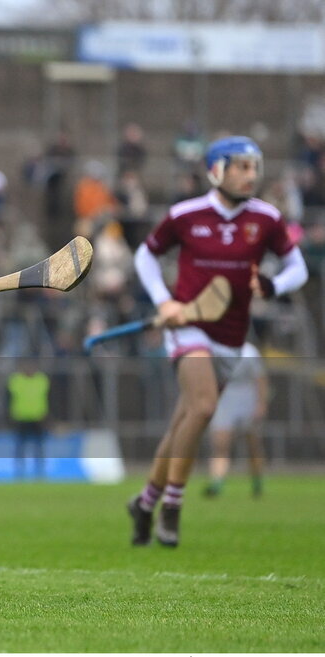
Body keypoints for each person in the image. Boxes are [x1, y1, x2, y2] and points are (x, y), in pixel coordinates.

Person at [127, 136, 308, 547]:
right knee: (205, 407)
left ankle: (144, 501)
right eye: (240, 166)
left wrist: (273, 284)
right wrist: (164, 301)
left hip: (232, 335)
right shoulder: (186, 214)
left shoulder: (266, 218)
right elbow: (145, 256)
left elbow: (298, 267)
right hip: (188, 327)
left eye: (254, 166)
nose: (250, 175)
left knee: (182, 424)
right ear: (215, 170)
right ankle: (172, 506)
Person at [204, 342, 268, 499]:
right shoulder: (215, 348)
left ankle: (257, 481)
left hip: (247, 397)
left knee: (253, 445)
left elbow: (260, 378)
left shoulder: (250, 351)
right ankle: (217, 482)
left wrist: (261, 403)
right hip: (225, 398)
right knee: (220, 444)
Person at [6, 360, 50, 479]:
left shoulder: (42, 380)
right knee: (20, 447)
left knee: (38, 447)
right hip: (21, 418)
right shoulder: (16, 380)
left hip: (38, 418)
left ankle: (39, 472)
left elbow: (48, 398)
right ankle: (19, 472)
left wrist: (48, 416)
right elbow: (8, 399)